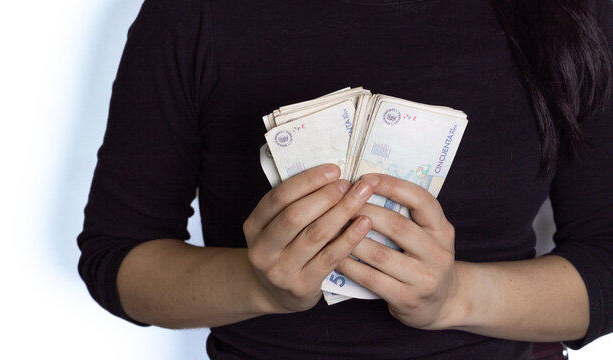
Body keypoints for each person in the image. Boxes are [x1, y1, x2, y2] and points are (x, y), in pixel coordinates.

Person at [77, 0, 613, 358]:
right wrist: (257, 285)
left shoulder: (573, 10)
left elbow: (606, 265)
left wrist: (454, 298)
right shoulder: (196, 12)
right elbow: (117, 256)